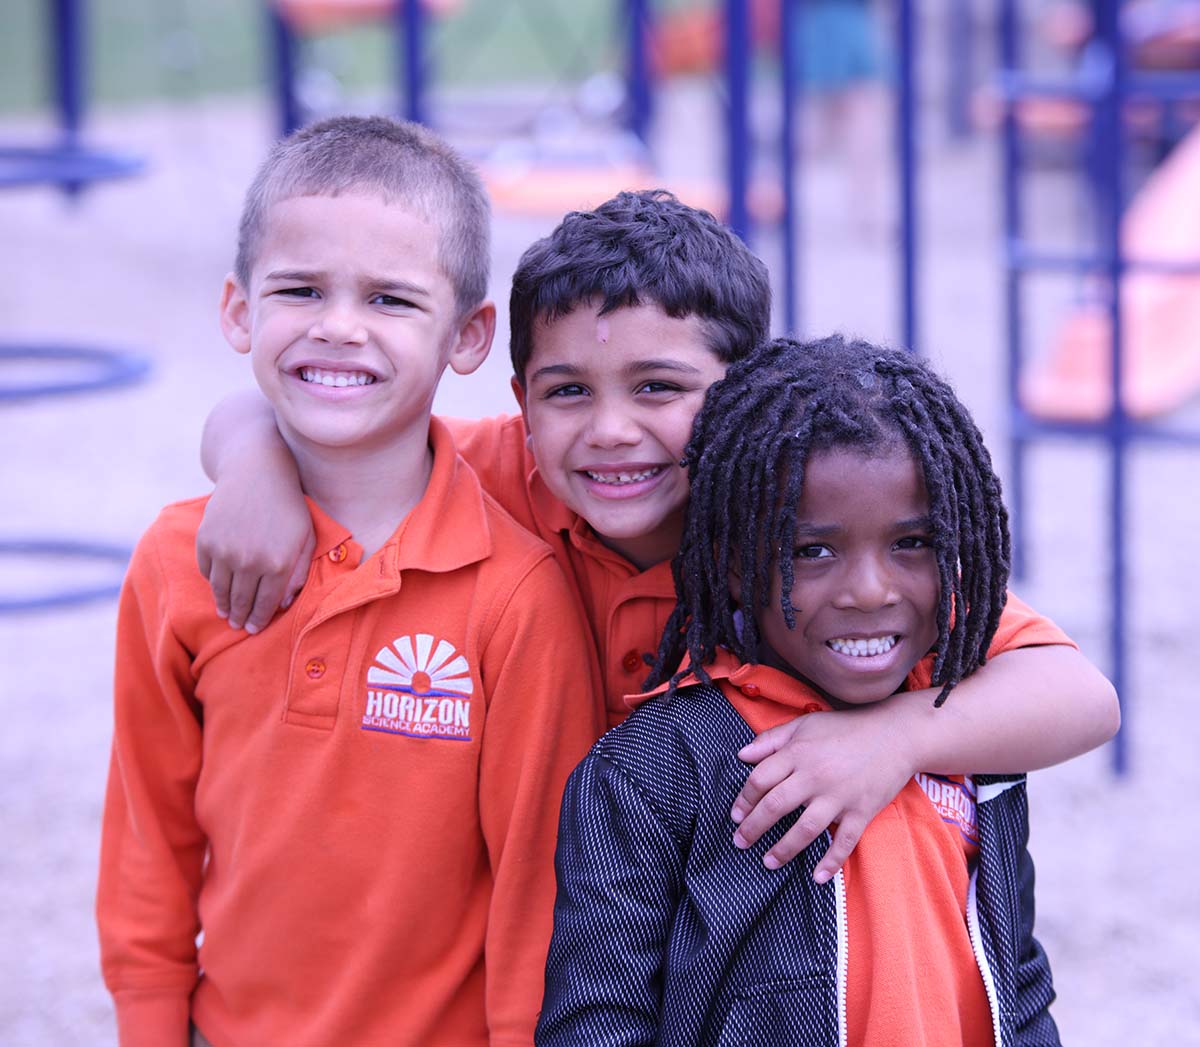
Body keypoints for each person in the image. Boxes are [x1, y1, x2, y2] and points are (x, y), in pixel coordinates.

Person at [196, 189, 1118, 881]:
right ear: (522, 402)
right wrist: (251, 463)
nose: (609, 431)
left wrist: (895, 740)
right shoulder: (490, 476)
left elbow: (1079, 695)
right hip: (536, 924)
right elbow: (294, 416)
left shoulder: (801, 518)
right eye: (569, 392)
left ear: (745, 387)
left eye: (658, 388)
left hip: (738, 926)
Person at [96, 116, 601, 1047]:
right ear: (239, 309)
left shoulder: (516, 594)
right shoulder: (176, 561)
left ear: (468, 335)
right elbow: (147, 846)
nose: (338, 325)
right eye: (300, 289)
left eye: (390, 301)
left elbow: (539, 898)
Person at [538, 335, 1075, 1046]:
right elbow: (597, 1023)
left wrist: (900, 736)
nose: (870, 590)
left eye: (911, 542)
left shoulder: (972, 729)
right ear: (731, 565)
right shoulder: (656, 771)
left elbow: (1017, 976)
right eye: (811, 551)